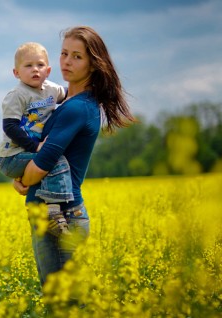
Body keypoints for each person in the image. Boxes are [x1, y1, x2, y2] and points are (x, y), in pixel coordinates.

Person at [13, 26, 136, 286]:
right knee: (62, 303)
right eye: (64, 53)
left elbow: (41, 165)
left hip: (61, 217)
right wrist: (25, 176)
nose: (67, 61)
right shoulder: (70, 103)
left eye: (77, 56)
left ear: (93, 64)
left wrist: (22, 176)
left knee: (64, 306)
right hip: (54, 214)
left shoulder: (77, 108)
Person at [0, 42, 73, 236]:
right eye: (28, 66)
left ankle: (46, 207)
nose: (35, 70)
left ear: (48, 70)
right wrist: (35, 146)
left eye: (40, 65)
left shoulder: (51, 89)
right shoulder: (17, 95)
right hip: (12, 156)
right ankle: (55, 210)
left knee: (50, 160)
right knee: (54, 160)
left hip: (29, 153)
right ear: (16, 73)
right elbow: (10, 127)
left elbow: (69, 94)